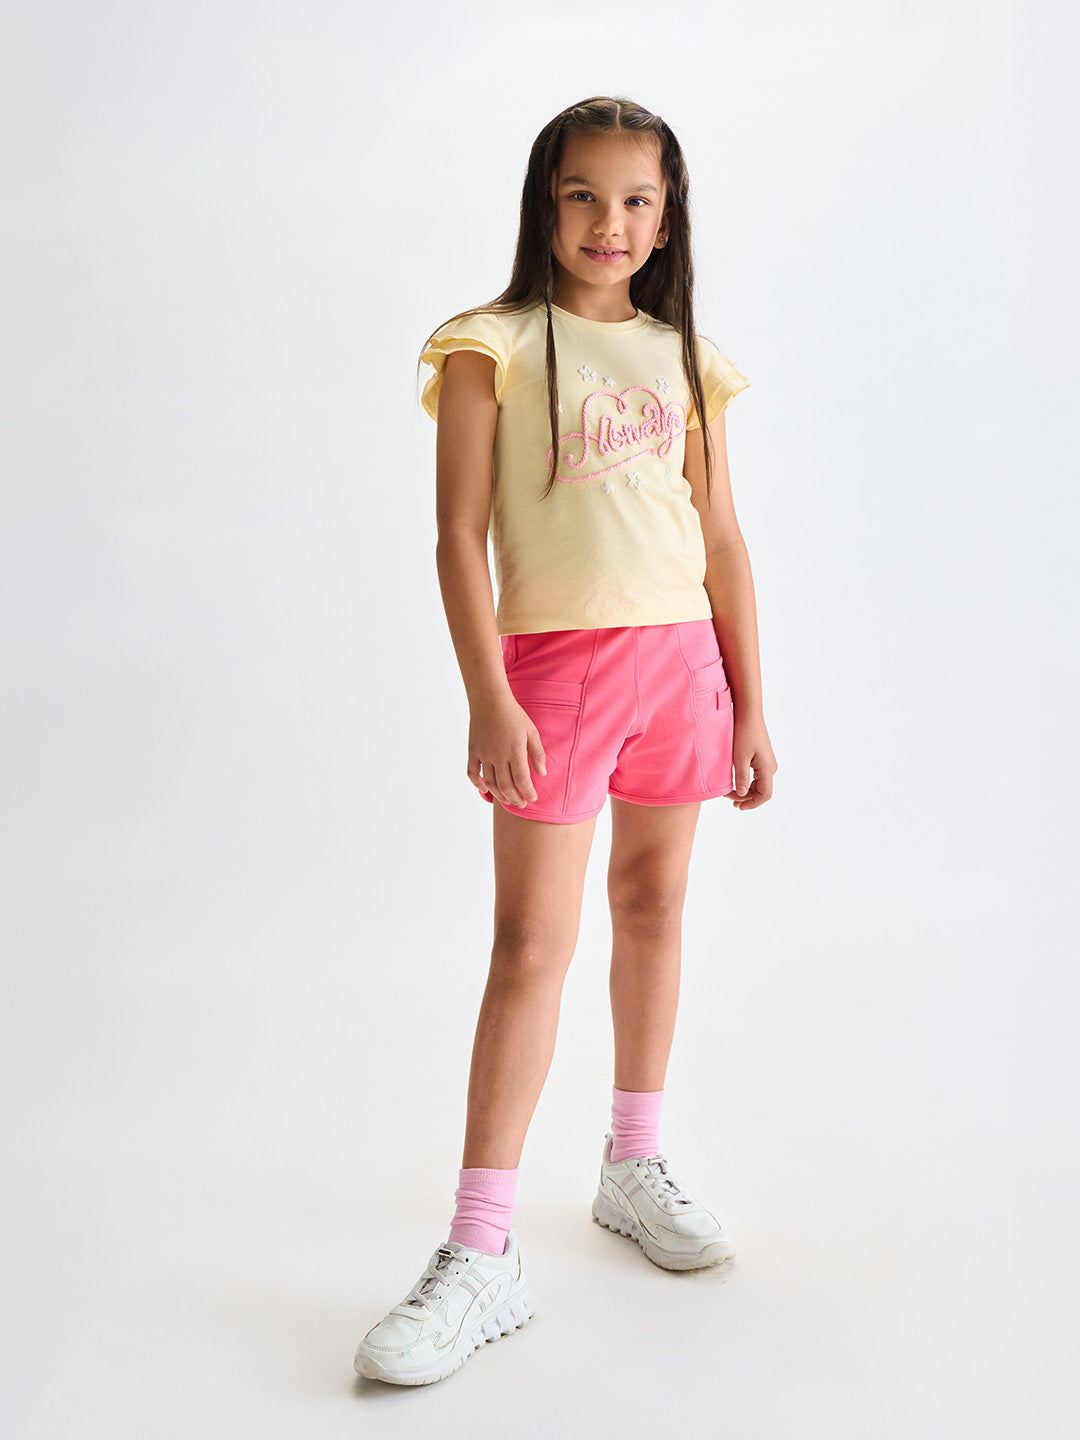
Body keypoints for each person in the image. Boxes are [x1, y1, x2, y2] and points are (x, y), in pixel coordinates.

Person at [354, 94, 777, 1388]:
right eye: (583, 194)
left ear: (669, 219)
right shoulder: (488, 345)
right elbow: (457, 535)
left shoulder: (686, 357)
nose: (610, 221)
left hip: (681, 666)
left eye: (637, 199)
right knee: (530, 945)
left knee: (652, 905)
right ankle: (480, 1247)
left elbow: (720, 540)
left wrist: (751, 700)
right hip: (555, 675)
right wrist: (488, 695)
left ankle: (633, 1163)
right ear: (545, 204)